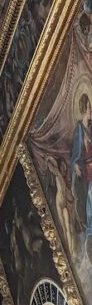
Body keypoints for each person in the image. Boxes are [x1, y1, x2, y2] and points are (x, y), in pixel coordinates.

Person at [70, 92, 92, 259]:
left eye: (90, 107)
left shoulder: (90, 127)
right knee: (90, 197)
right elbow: (75, 154)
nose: (90, 110)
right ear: (84, 109)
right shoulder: (79, 129)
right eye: (89, 107)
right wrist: (75, 164)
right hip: (87, 171)